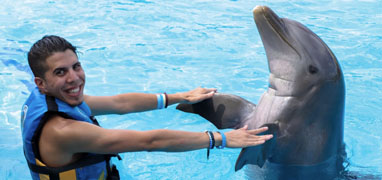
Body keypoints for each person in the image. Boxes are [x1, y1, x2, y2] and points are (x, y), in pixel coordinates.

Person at [21, 35, 273, 180]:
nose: (74, 78)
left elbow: (119, 103)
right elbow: (149, 141)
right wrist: (220, 139)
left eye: (76, 66)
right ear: (40, 83)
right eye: (60, 72)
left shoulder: (53, 99)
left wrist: (178, 97)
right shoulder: (62, 131)